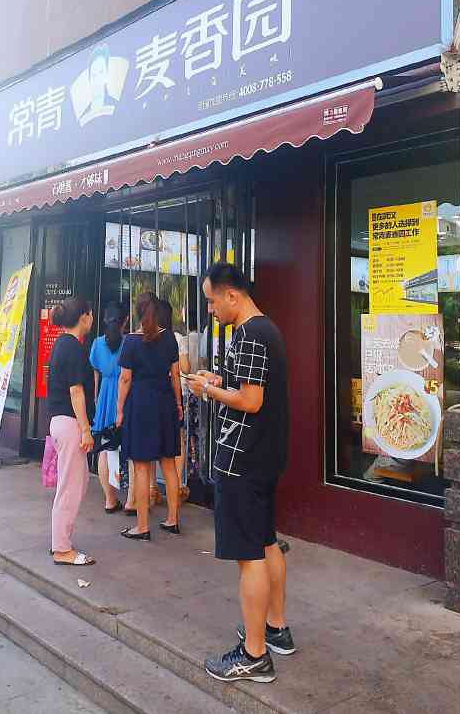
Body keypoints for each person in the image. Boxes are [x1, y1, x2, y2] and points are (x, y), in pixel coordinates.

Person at [188, 262, 291, 685]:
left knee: (249, 555)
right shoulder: (268, 331)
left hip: (241, 460)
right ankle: (275, 629)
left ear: (233, 295)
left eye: (212, 301)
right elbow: (251, 388)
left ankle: (254, 655)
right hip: (264, 457)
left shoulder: (249, 333)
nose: (210, 310)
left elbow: (249, 401)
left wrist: (206, 390)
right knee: (266, 543)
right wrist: (218, 379)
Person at [116, 292, 183, 540]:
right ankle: (173, 520)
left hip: (141, 404)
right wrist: (178, 404)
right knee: (168, 463)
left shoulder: (131, 341)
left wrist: (120, 409)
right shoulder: (169, 339)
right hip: (165, 401)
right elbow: (175, 375)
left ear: (137, 312)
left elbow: (125, 378)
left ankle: (142, 526)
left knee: (142, 467)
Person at [47, 297, 96, 567]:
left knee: (73, 483)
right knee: (71, 486)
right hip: (69, 423)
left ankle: (60, 541)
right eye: (90, 314)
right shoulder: (74, 349)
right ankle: (62, 549)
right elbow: (76, 392)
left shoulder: (62, 345)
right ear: (84, 317)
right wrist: (86, 429)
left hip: (61, 421)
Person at [90, 302, 129, 514]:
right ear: (126, 321)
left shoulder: (97, 343)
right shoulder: (128, 343)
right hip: (124, 395)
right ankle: (132, 499)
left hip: (105, 394)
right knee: (129, 449)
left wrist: (97, 398)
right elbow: (127, 376)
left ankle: (109, 499)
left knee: (104, 448)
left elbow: (96, 373)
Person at [157, 300, 191, 504]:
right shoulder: (176, 338)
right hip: (174, 395)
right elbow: (185, 368)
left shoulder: (145, 337)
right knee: (176, 442)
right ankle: (176, 487)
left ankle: (152, 488)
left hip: (153, 396)